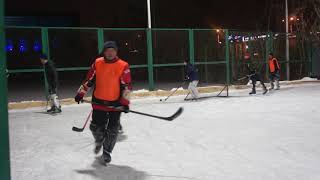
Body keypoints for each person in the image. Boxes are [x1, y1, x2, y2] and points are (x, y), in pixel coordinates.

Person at [74, 41, 132, 165]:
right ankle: (99, 140)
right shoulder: (97, 63)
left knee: (113, 130)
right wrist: (80, 94)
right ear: (104, 52)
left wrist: (125, 103)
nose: (110, 53)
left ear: (116, 52)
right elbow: (88, 80)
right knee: (95, 127)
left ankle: (107, 150)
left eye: (113, 50)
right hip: (99, 101)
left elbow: (127, 86)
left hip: (115, 103)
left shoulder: (123, 65)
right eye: (107, 50)